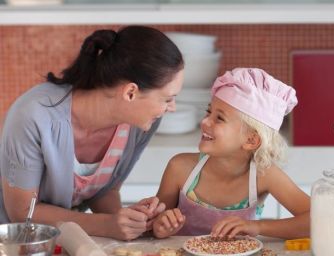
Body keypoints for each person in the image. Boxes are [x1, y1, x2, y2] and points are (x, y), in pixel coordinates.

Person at [0, 25, 184, 241]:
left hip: (63, 242)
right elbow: (23, 214)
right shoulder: (33, 117)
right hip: (12, 248)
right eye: (167, 98)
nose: (173, 108)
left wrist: (132, 220)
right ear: (131, 92)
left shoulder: (138, 124)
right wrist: (107, 225)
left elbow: (103, 191)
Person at [152, 68, 310, 239]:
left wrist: (258, 227)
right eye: (208, 112)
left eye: (219, 118)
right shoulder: (179, 168)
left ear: (251, 140)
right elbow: (156, 224)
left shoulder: (264, 175)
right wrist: (160, 226)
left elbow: (320, 220)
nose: (205, 121)